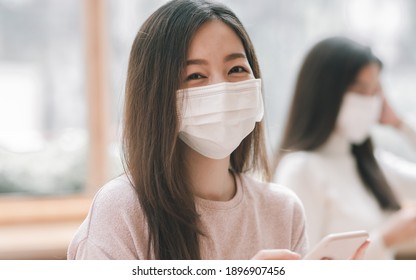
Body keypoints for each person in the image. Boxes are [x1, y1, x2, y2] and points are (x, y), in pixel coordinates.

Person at [67, 0, 309, 260]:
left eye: (236, 69)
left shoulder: (283, 210)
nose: (222, 90)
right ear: (157, 96)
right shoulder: (121, 211)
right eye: (195, 75)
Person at [273, 36, 416, 260]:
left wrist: (401, 124)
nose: (369, 102)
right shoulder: (301, 169)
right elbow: (303, 266)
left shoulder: (373, 165)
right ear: (325, 93)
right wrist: (384, 239)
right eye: (360, 91)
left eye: (375, 92)